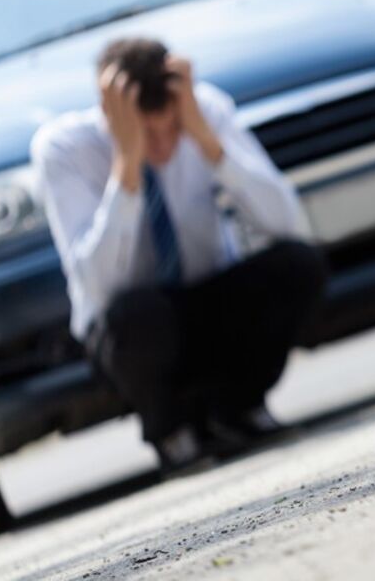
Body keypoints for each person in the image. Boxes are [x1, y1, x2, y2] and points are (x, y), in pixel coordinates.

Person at [31, 37, 326, 471]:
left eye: (172, 129)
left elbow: (288, 224)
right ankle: (172, 432)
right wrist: (127, 167)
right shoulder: (63, 149)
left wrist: (207, 141)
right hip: (130, 333)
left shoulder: (202, 108)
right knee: (139, 315)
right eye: (148, 132)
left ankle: (239, 408)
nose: (165, 147)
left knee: (298, 265)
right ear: (111, 113)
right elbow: (100, 286)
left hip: (208, 303)